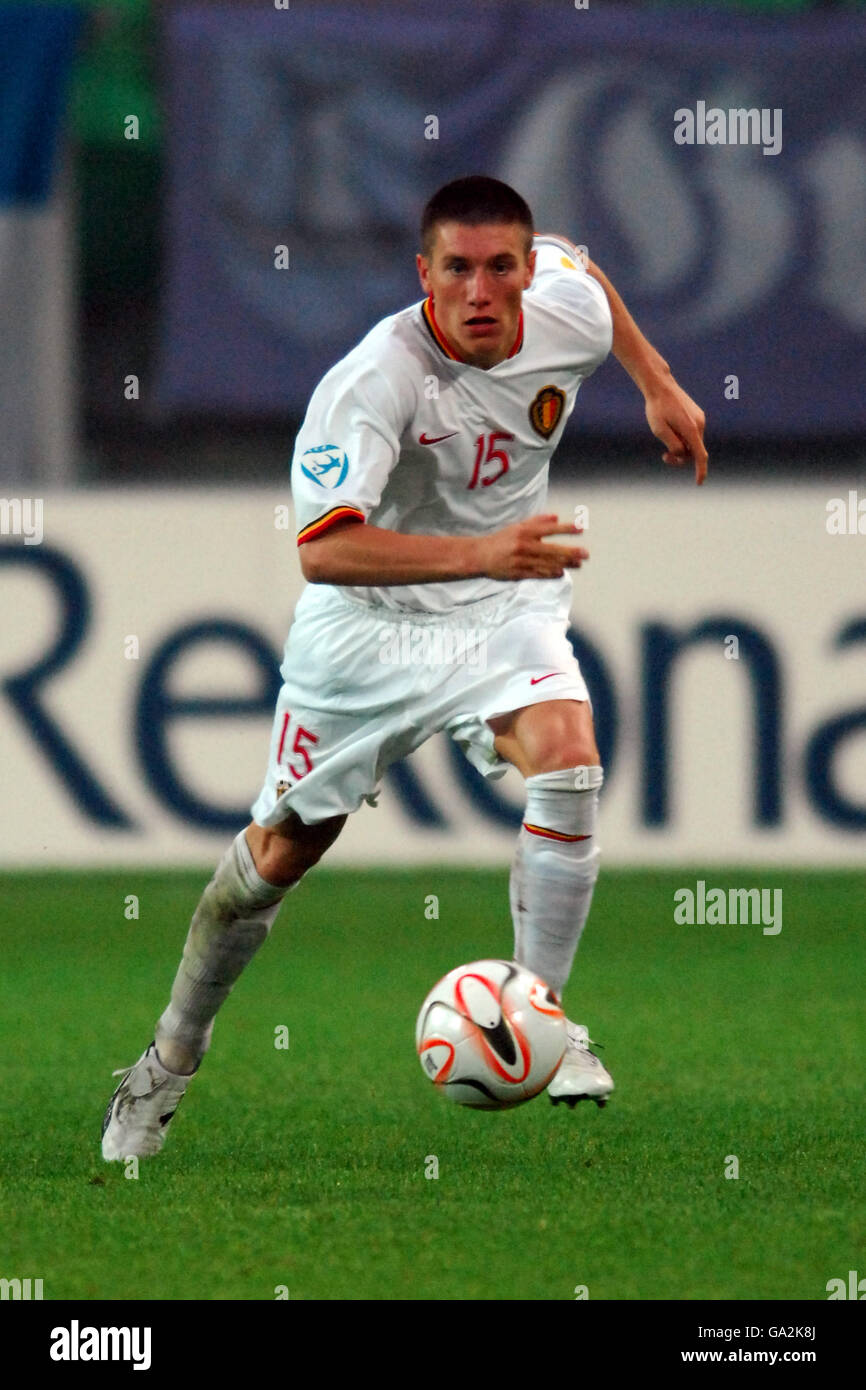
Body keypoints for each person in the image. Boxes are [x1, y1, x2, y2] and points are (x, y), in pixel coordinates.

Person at [101, 175, 707, 1159]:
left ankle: (542, 1018)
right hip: (367, 626)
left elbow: (587, 273)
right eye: (456, 269)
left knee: (567, 758)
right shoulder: (374, 379)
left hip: (499, 605)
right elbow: (323, 550)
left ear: (522, 271)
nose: (479, 291)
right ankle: (167, 1060)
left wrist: (656, 380)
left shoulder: (564, 305)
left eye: (499, 267)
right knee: (277, 858)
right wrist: (480, 551)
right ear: (422, 273)